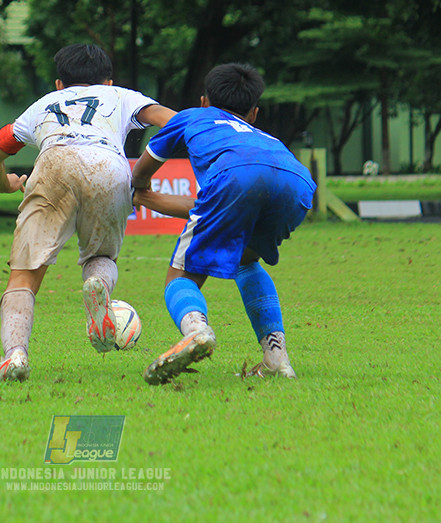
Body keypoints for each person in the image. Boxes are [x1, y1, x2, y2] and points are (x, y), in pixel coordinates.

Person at [0, 43, 174, 382]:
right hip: (108, 166)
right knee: (102, 256)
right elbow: (171, 122)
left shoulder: (42, 105)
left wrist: (6, 184)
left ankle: (15, 355)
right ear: (108, 82)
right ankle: (98, 284)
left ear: (59, 84)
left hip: (53, 164)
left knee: (24, 276)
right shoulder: (121, 97)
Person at [131, 63, 316, 385]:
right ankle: (277, 359)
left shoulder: (192, 117)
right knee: (247, 262)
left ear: (205, 101)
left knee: (180, 277)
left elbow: (148, 161)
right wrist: (151, 200)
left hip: (235, 178)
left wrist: (138, 188)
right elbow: (213, 208)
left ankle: (197, 332)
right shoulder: (263, 137)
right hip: (297, 183)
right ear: (254, 113)